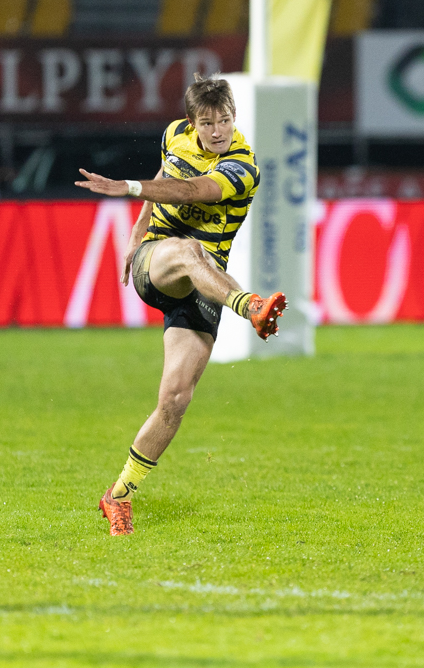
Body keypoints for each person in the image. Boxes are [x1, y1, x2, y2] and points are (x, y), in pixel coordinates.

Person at [75, 75, 286, 536]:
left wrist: (129, 187)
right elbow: (164, 182)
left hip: (202, 288)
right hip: (161, 264)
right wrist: (135, 237)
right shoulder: (174, 135)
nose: (218, 131)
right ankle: (250, 305)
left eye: (225, 120)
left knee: (175, 399)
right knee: (191, 251)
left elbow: (191, 191)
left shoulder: (242, 165)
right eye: (208, 123)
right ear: (192, 123)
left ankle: (118, 497)